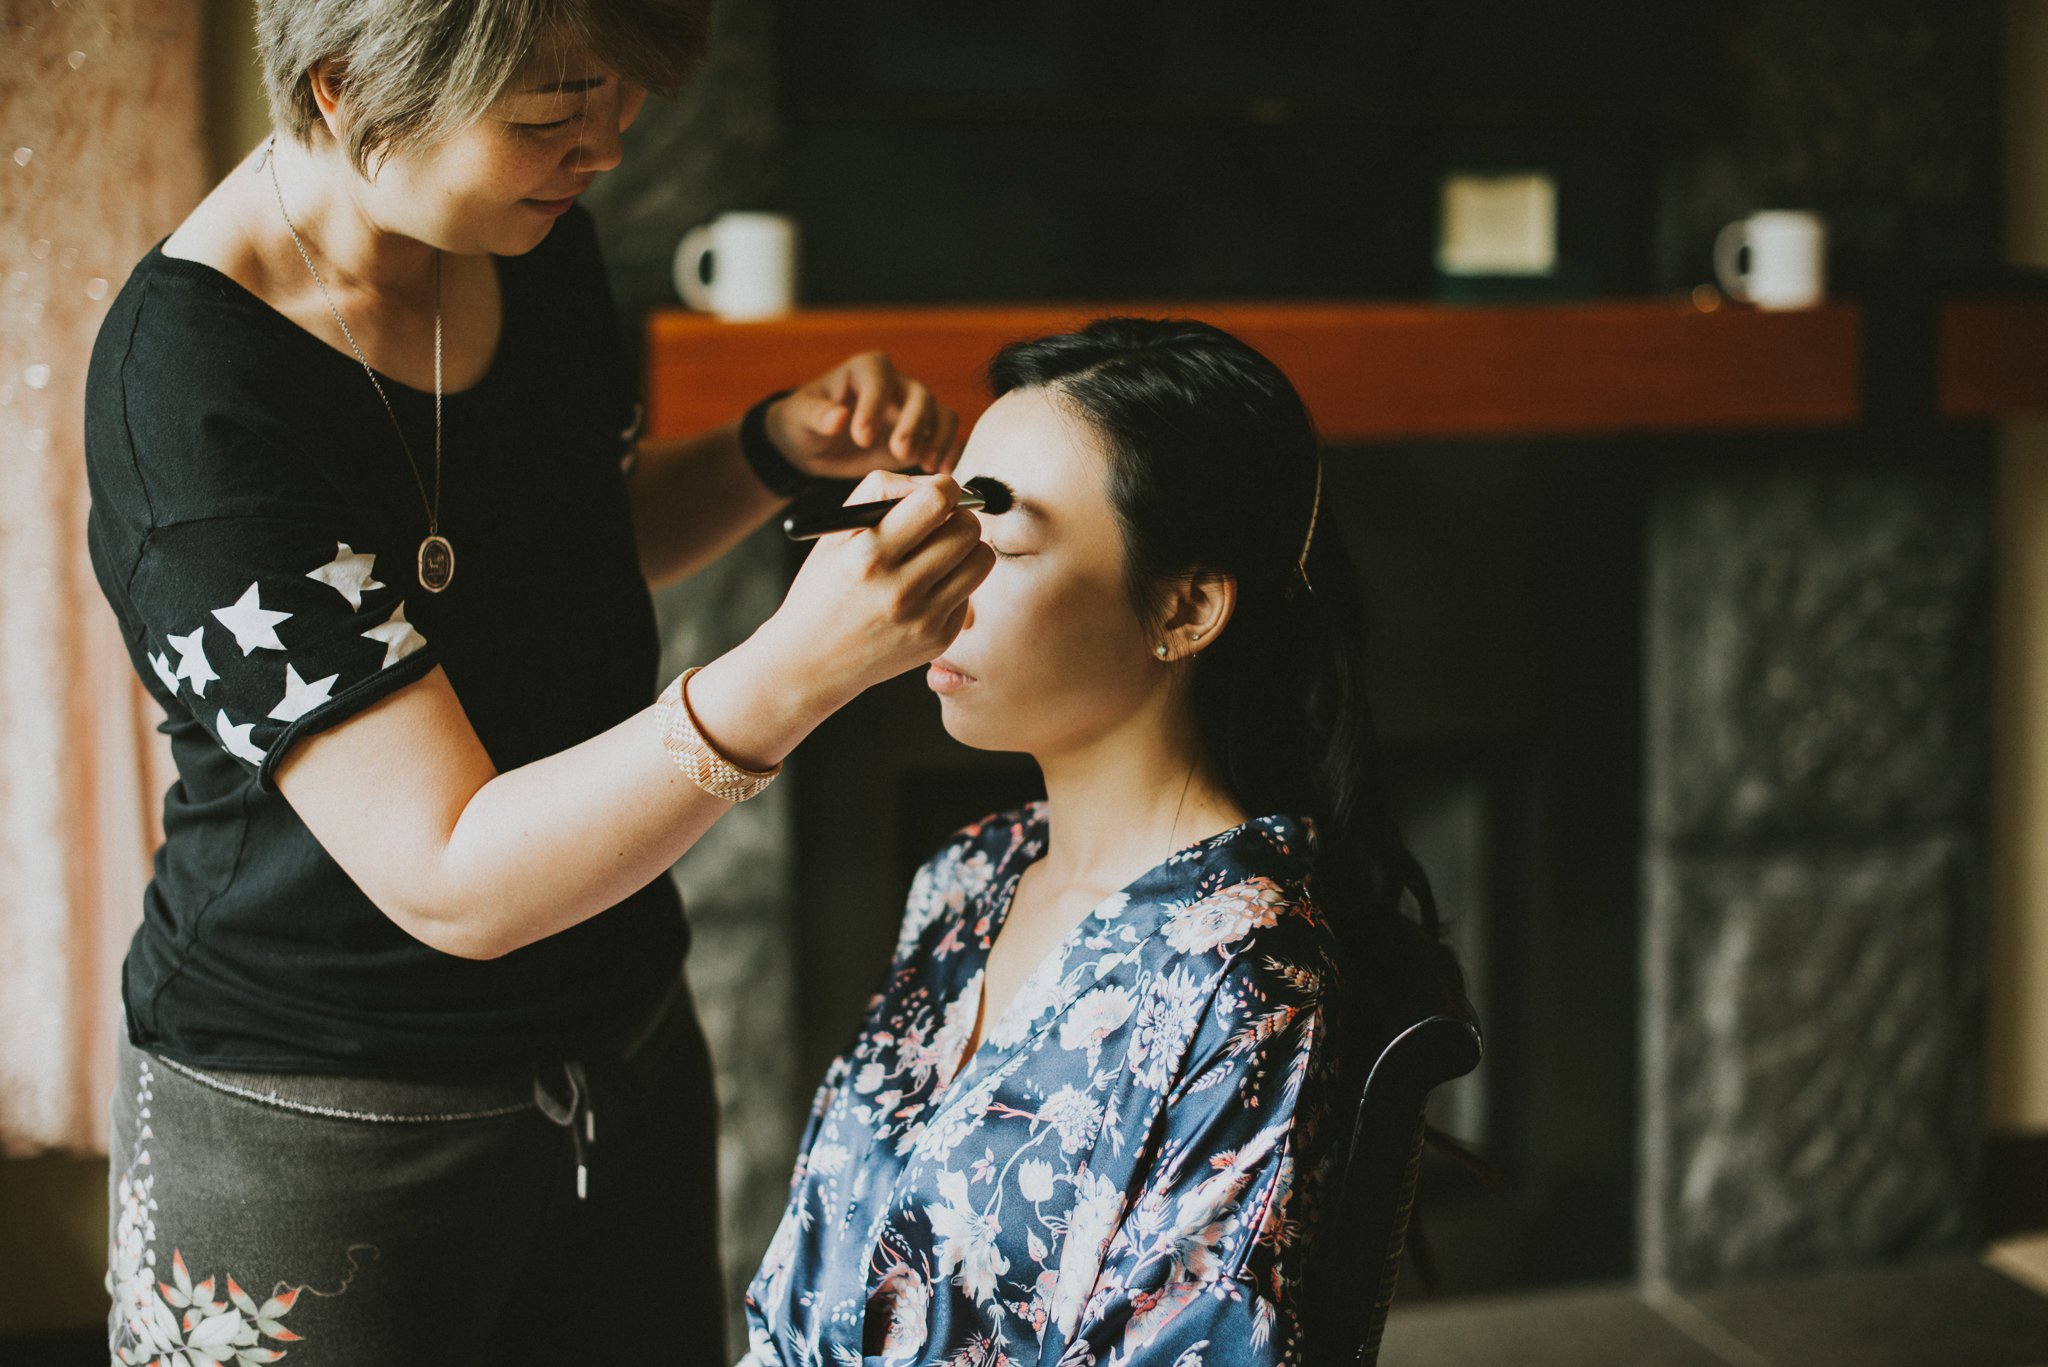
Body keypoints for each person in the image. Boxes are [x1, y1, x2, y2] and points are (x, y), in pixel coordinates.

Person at [85, 2, 993, 1362]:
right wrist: (796, 672)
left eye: (621, 99)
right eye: (552, 112)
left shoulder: (527, 231)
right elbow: (451, 875)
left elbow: (569, 538)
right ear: (345, 89)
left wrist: (767, 450)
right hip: (328, 1112)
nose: (607, 148)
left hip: (618, 1050)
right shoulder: (196, 395)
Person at [740, 318, 1452, 1365]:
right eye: (942, 530)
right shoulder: (968, 873)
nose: (936, 584)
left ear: (1186, 604)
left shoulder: (1240, 971)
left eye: (999, 544)